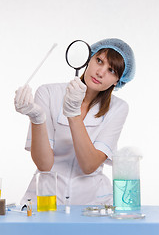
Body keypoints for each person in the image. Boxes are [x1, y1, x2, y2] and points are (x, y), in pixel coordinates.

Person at [14, 38, 135, 205]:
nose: (100, 72)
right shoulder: (48, 93)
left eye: (112, 70)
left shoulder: (118, 108)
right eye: (99, 61)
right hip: (45, 199)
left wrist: (73, 114)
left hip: (91, 204)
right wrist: (37, 119)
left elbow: (89, 165)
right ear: (88, 59)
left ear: (118, 81)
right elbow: (44, 165)